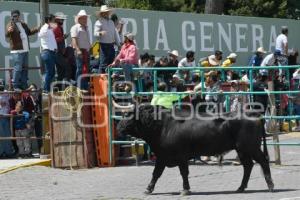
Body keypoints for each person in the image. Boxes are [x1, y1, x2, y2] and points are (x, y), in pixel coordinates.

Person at [5, 9, 39, 90]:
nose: (15, 18)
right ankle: (15, 85)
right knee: (18, 68)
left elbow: (29, 32)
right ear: (11, 17)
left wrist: (37, 28)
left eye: (16, 16)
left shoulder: (23, 24)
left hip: (25, 50)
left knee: (25, 68)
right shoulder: (10, 24)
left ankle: (24, 84)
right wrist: (9, 32)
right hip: (17, 51)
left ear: (19, 16)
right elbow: (7, 35)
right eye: (13, 16)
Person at [94, 5, 120, 73]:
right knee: (103, 64)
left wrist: (118, 44)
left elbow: (115, 34)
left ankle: (108, 81)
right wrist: (100, 33)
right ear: (102, 13)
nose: (106, 13)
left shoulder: (111, 22)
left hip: (111, 45)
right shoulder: (98, 22)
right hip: (103, 45)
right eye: (105, 12)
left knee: (111, 64)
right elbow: (95, 34)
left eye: (107, 12)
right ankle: (100, 81)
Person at [70, 10, 91, 90]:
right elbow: (74, 40)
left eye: (86, 18)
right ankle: (79, 87)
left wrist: (89, 49)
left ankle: (84, 86)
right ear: (79, 19)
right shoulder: (75, 28)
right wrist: (78, 50)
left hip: (86, 51)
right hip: (80, 51)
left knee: (86, 69)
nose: (86, 20)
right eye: (84, 18)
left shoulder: (86, 28)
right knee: (80, 69)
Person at [38, 14, 57, 93]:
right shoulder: (45, 28)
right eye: (53, 20)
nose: (54, 22)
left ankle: (48, 89)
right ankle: (46, 89)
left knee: (52, 72)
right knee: (49, 72)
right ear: (49, 21)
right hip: (47, 52)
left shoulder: (50, 29)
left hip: (51, 52)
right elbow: (40, 35)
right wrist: (47, 27)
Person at [53, 12, 72, 83]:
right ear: (57, 20)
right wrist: (63, 37)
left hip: (59, 52)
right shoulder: (55, 28)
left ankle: (60, 87)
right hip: (57, 52)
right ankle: (67, 82)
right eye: (61, 20)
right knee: (67, 67)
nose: (63, 21)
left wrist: (62, 37)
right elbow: (54, 40)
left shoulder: (58, 27)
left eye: (63, 20)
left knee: (60, 71)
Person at [0, 85, 15, 158]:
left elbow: (10, 95)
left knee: (7, 135)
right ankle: (1, 152)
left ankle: (8, 152)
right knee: (1, 135)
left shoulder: (6, 93)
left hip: (6, 116)